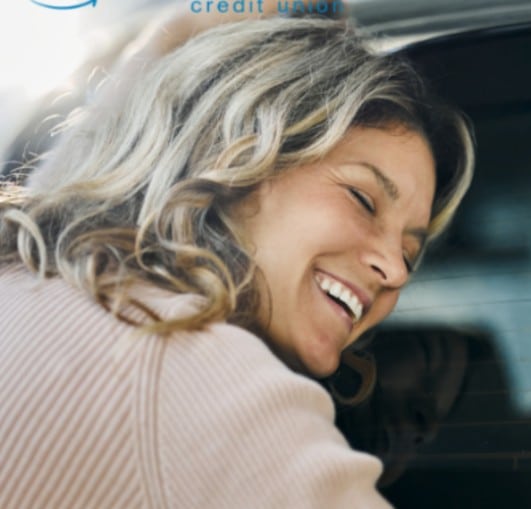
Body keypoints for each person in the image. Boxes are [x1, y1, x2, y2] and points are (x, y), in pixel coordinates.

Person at [0, 15, 473, 508]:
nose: (396, 271)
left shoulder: (28, 271)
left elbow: (157, 56)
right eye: (362, 198)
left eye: (409, 253)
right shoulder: (190, 368)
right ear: (234, 160)